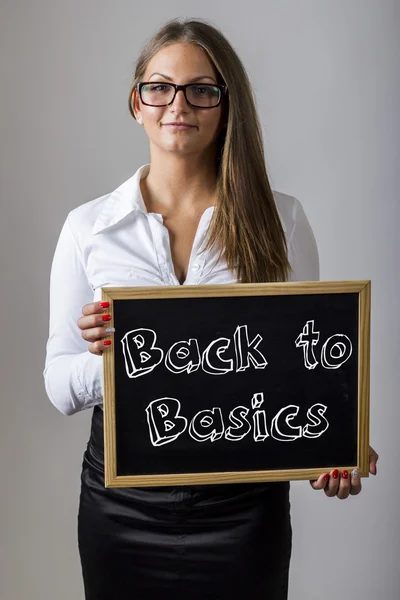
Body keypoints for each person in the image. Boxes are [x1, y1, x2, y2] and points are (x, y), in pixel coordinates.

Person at [43, 18, 378, 600]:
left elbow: (305, 371)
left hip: (244, 509)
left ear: (227, 105)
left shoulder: (282, 219)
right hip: (120, 506)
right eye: (160, 87)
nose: (179, 104)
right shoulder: (87, 227)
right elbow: (57, 382)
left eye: (202, 89)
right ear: (136, 104)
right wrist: (114, 360)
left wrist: (336, 445)